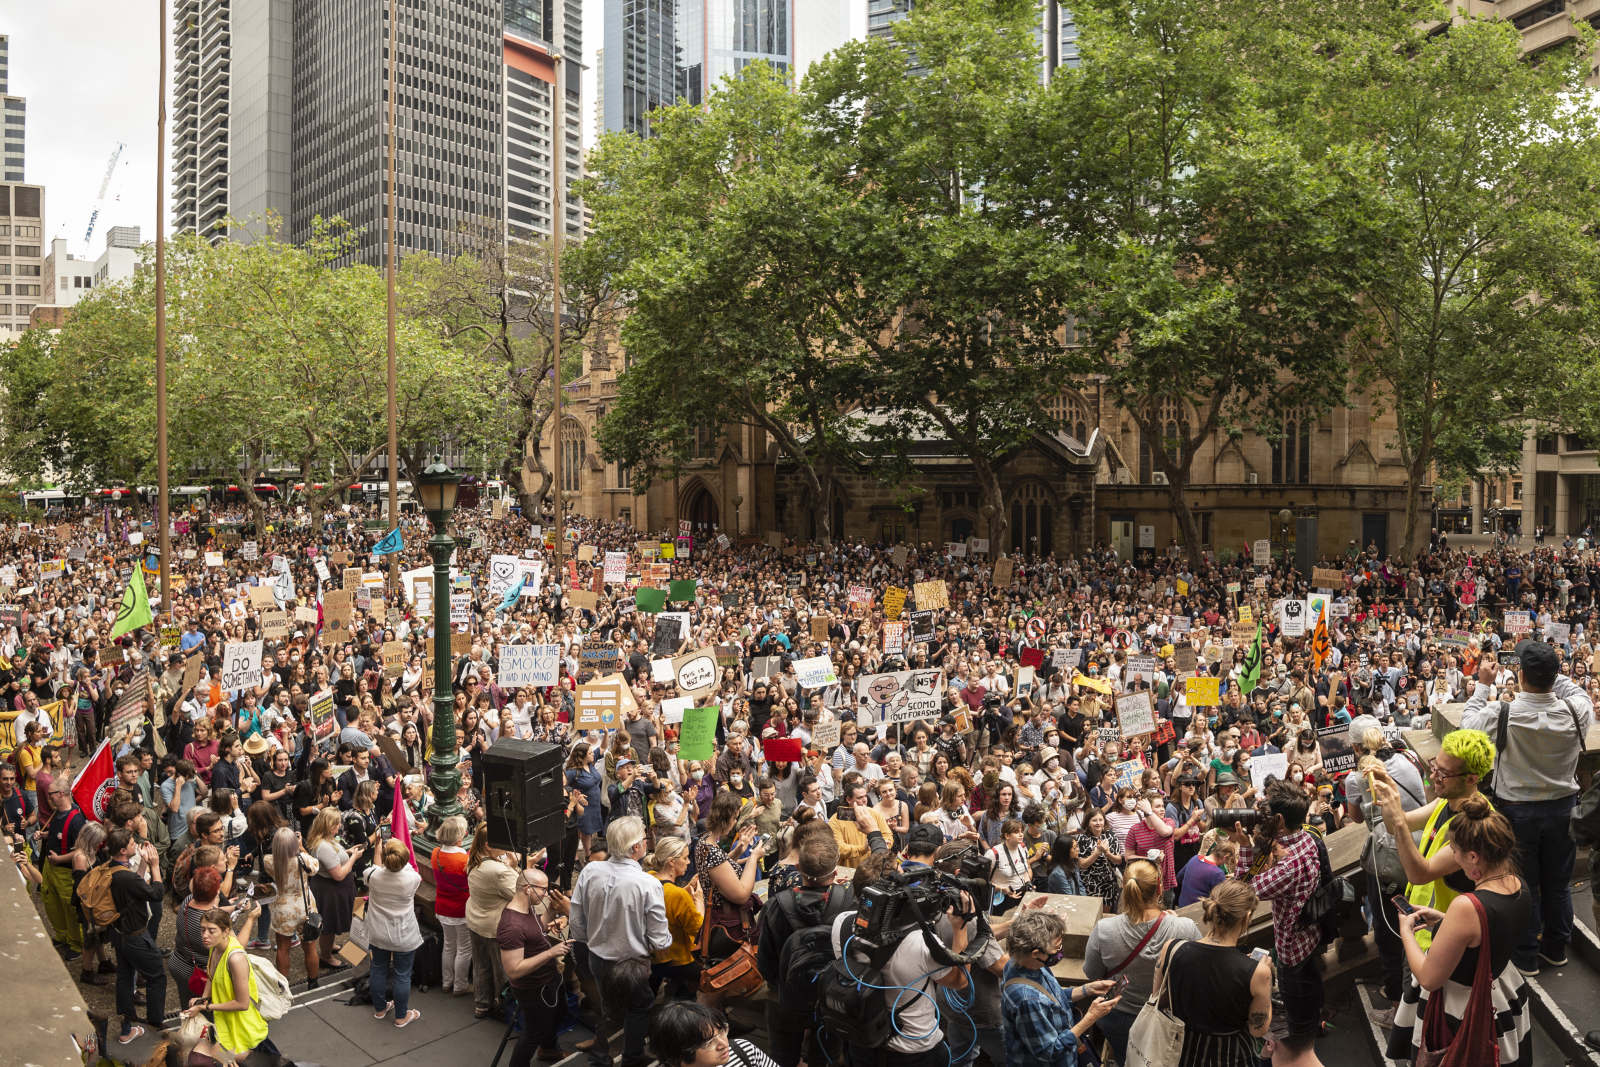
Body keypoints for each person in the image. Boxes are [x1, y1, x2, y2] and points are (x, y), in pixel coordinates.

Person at [1461, 639, 1593, 974]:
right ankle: (1555, 947)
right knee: (1558, 883)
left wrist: (1484, 685)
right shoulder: (1577, 710)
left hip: (1517, 812)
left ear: (1519, 675)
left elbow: (1467, 725)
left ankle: (1525, 953)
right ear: (1554, 675)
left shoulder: (1502, 712)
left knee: (1522, 883)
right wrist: (1554, 671)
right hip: (1564, 809)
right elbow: (1573, 689)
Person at [1385, 794, 1533, 1065]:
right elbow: (1489, 928)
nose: (1452, 857)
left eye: (1454, 851)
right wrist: (1444, 919)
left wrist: (1406, 930)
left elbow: (1429, 978)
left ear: (1473, 857)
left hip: (1462, 1009)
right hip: (1501, 995)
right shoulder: (1518, 884)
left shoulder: (1466, 907)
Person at [571, 815, 671, 1067]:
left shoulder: (591, 870)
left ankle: (600, 1058)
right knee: (639, 1007)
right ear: (636, 847)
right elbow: (659, 939)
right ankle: (632, 1057)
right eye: (645, 838)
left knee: (608, 1007)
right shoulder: (648, 884)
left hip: (596, 957)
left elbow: (576, 918)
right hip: (630, 962)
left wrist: (590, 940)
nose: (647, 842)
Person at [1082, 858, 1200, 1062]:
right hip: (1166, 1017)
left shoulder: (1105, 930)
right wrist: (1175, 922)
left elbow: (1092, 974)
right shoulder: (1185, 928)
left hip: (1118, 1014)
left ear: (1125, 888)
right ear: (1160, 888)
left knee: (1127, 1058)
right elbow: (1197, 971)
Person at [755, 830, 856, 1067]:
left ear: (799, 868)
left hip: (785, 997)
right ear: (834, 873)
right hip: (832, 997)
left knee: (783, 1057)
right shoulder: (848, 903)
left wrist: (781, 983)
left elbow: (765, 962)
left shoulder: (776, 906)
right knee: (826, 1054)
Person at [1241, 779, 1323, 1046]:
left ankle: (1301, 1046)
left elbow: (1244, 891)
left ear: (1278, 819)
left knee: (1296, 1011)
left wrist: (1244, 846)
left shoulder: (1288, 865)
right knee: (1311, 991)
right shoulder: (1308, 838)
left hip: (1291, 950)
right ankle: (1312, 1026)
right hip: (1311, 937)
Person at [1158, 878, 1272, 1066]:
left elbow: (1159, 998)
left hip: (1180, 1048)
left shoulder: (1171, 948)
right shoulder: (1257, 972)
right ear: (1246, 916)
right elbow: (1257, 1029)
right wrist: (1264, 973)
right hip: (1229, 1053)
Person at [1001, 909, 1120, 1067]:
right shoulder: (1027, 1000)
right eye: (1056, 948)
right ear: (1036, 953)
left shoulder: (1027, 965)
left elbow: (1051, 998)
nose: (1059, 951)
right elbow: (1049, 1052)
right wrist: (1091, 1017)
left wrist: (1087, 989)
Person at [182, 906, 278, 1061]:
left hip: (245, 1031)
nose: (205, 935)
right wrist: (203, 998)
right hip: (227, 1027)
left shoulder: (236, 959)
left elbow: (242, 1003)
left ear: (226, 931)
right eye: (202, 930)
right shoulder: (215, 947)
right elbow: (212, 976)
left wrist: (204, 1006)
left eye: (211, 930)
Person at [499, 864, 572, 1066]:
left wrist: (550, 914)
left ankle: (549, 1050)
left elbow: (535, 927)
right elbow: (513, 970)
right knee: (532, 1034)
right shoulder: (511, 926)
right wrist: (551, 952)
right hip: (534, 988)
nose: (546, 893)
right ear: (528, 889)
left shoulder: (526, 909)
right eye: (542, 889)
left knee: (556, 1014)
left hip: (548, 980)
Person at [105, 826, 168, 1045]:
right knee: (157, 976)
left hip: (119, 934)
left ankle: (127, 1027)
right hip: (136, 936)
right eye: (132, 843)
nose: (136, 844)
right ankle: (155, 1022)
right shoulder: (126, 879)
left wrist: (142, 863)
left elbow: (136, 886)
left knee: (124, 977)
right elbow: (157, 894)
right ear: (123, 850)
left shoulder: (112, 869)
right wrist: (155, 865)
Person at [367, 837, 424, 1028]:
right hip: (403, 935)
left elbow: (375, 868)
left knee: (378, 968)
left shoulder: (373, 876)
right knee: (402, 974)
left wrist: (377, 849)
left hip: (378, 933)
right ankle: (401, 1016)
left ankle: (380, 1009)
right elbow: (407, 868)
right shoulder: (413, 879)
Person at [466, 824, 521, 1020]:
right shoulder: (498, 871)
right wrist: (516, 867)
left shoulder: (474, 860)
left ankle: (482, 1004)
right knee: (501, 970)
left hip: (475, 920)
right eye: (503, 843)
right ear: (488, 845)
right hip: (494, 926)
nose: (507, 847)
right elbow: (522, 893)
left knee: (481, 964)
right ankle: (503, 1005)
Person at [645, 836, 705, 1001]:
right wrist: (699, 901)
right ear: (672, 861)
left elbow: (665, 900)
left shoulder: (649, 878)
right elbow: (699, 931)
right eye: (685, 858)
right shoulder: (677, 895)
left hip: (652, 956)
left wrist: (685, 890)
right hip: (678, 959)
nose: (688, 862)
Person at [306, 805, 363, 972]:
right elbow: (338, 874)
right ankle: (325, 956)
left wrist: (346, 851)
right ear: (329, 825)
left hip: (330, 888)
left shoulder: (324, 840)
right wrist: (353, 858)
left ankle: (329, 946)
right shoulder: (323, 846)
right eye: (337, 824)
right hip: (330, 890)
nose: (339, 827)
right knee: (329, 924)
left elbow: (332, 858)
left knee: (331, 922)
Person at [264, 824, 321, 988]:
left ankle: (283, 987)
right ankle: (313, 982)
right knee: (310, 947)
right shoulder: (304, 860)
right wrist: (302, 847)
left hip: (282, 909)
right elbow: (315, 868)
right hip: (305, 906)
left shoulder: (269, 861)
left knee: (283, 948)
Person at [647, 1001, 780, 1067]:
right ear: (678, 1053)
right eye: (708, 1042)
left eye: (722, 1031)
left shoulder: (744, 1050)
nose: (723, 1044)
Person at [38, 782, 85, 958]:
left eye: (51, 794)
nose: (48, 798)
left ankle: (76, 944)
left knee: (70, 908)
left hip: (66, 873)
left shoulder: (76, 820)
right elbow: (57, 833)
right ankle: (62, 936)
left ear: (63, 793)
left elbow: (82, 851)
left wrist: (59, 859)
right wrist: (45, 835)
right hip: (50, 869)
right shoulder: (57, 813)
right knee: (51, 902)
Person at [429, 813, 473, 995]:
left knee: (448, 945)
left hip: (443, 906)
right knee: (464, 948)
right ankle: (460, 985)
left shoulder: (435, 853)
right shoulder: (464, 860)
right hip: (461, 908)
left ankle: (447, 982)